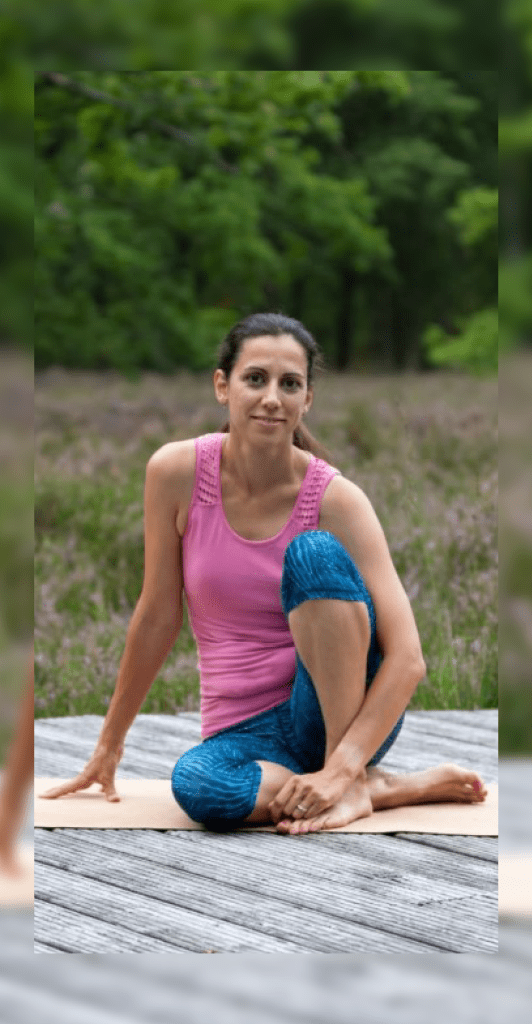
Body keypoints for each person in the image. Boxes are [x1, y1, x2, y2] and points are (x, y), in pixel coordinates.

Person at [43, 313, 487, 834]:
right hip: (241, 733)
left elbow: (407, 658)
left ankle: (348, 779)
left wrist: (344, 762)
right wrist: (108, 745)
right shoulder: (174, 474)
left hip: (335, 717)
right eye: (255, 378)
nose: (272, 398)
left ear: (307, 399)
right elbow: (158, 615)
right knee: (199, 786)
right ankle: (377, 787)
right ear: (222, 386)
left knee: (313, 554)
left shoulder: (337, 499)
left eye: (290, 384)